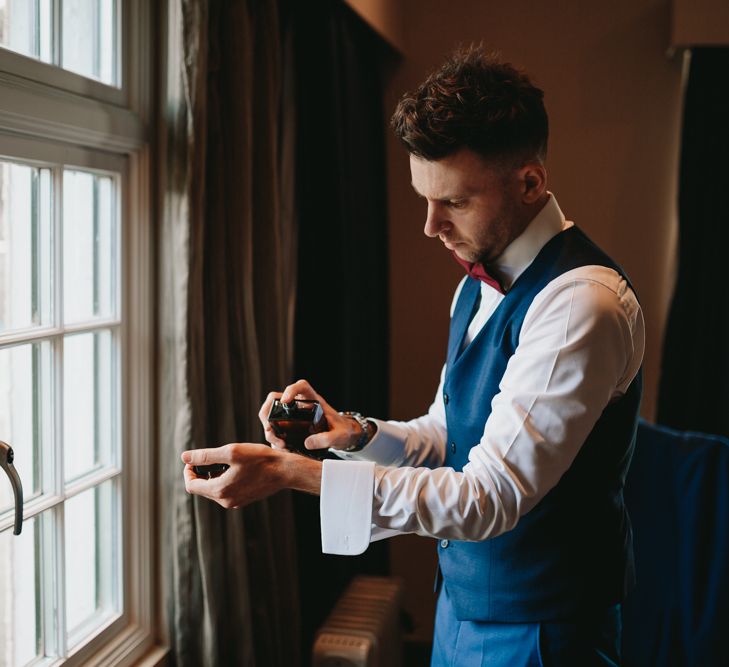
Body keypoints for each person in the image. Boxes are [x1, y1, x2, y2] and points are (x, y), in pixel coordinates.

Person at [183, 46, 644, 666]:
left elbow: (489, 496)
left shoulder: (582, 305)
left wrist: (294, 474)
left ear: (530, 181)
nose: (430, 226)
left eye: (453, 201)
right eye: (422, 197)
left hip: (543, 631)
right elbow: (448, 435)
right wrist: (353, 433)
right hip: (459, 608)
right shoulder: (473, 283)